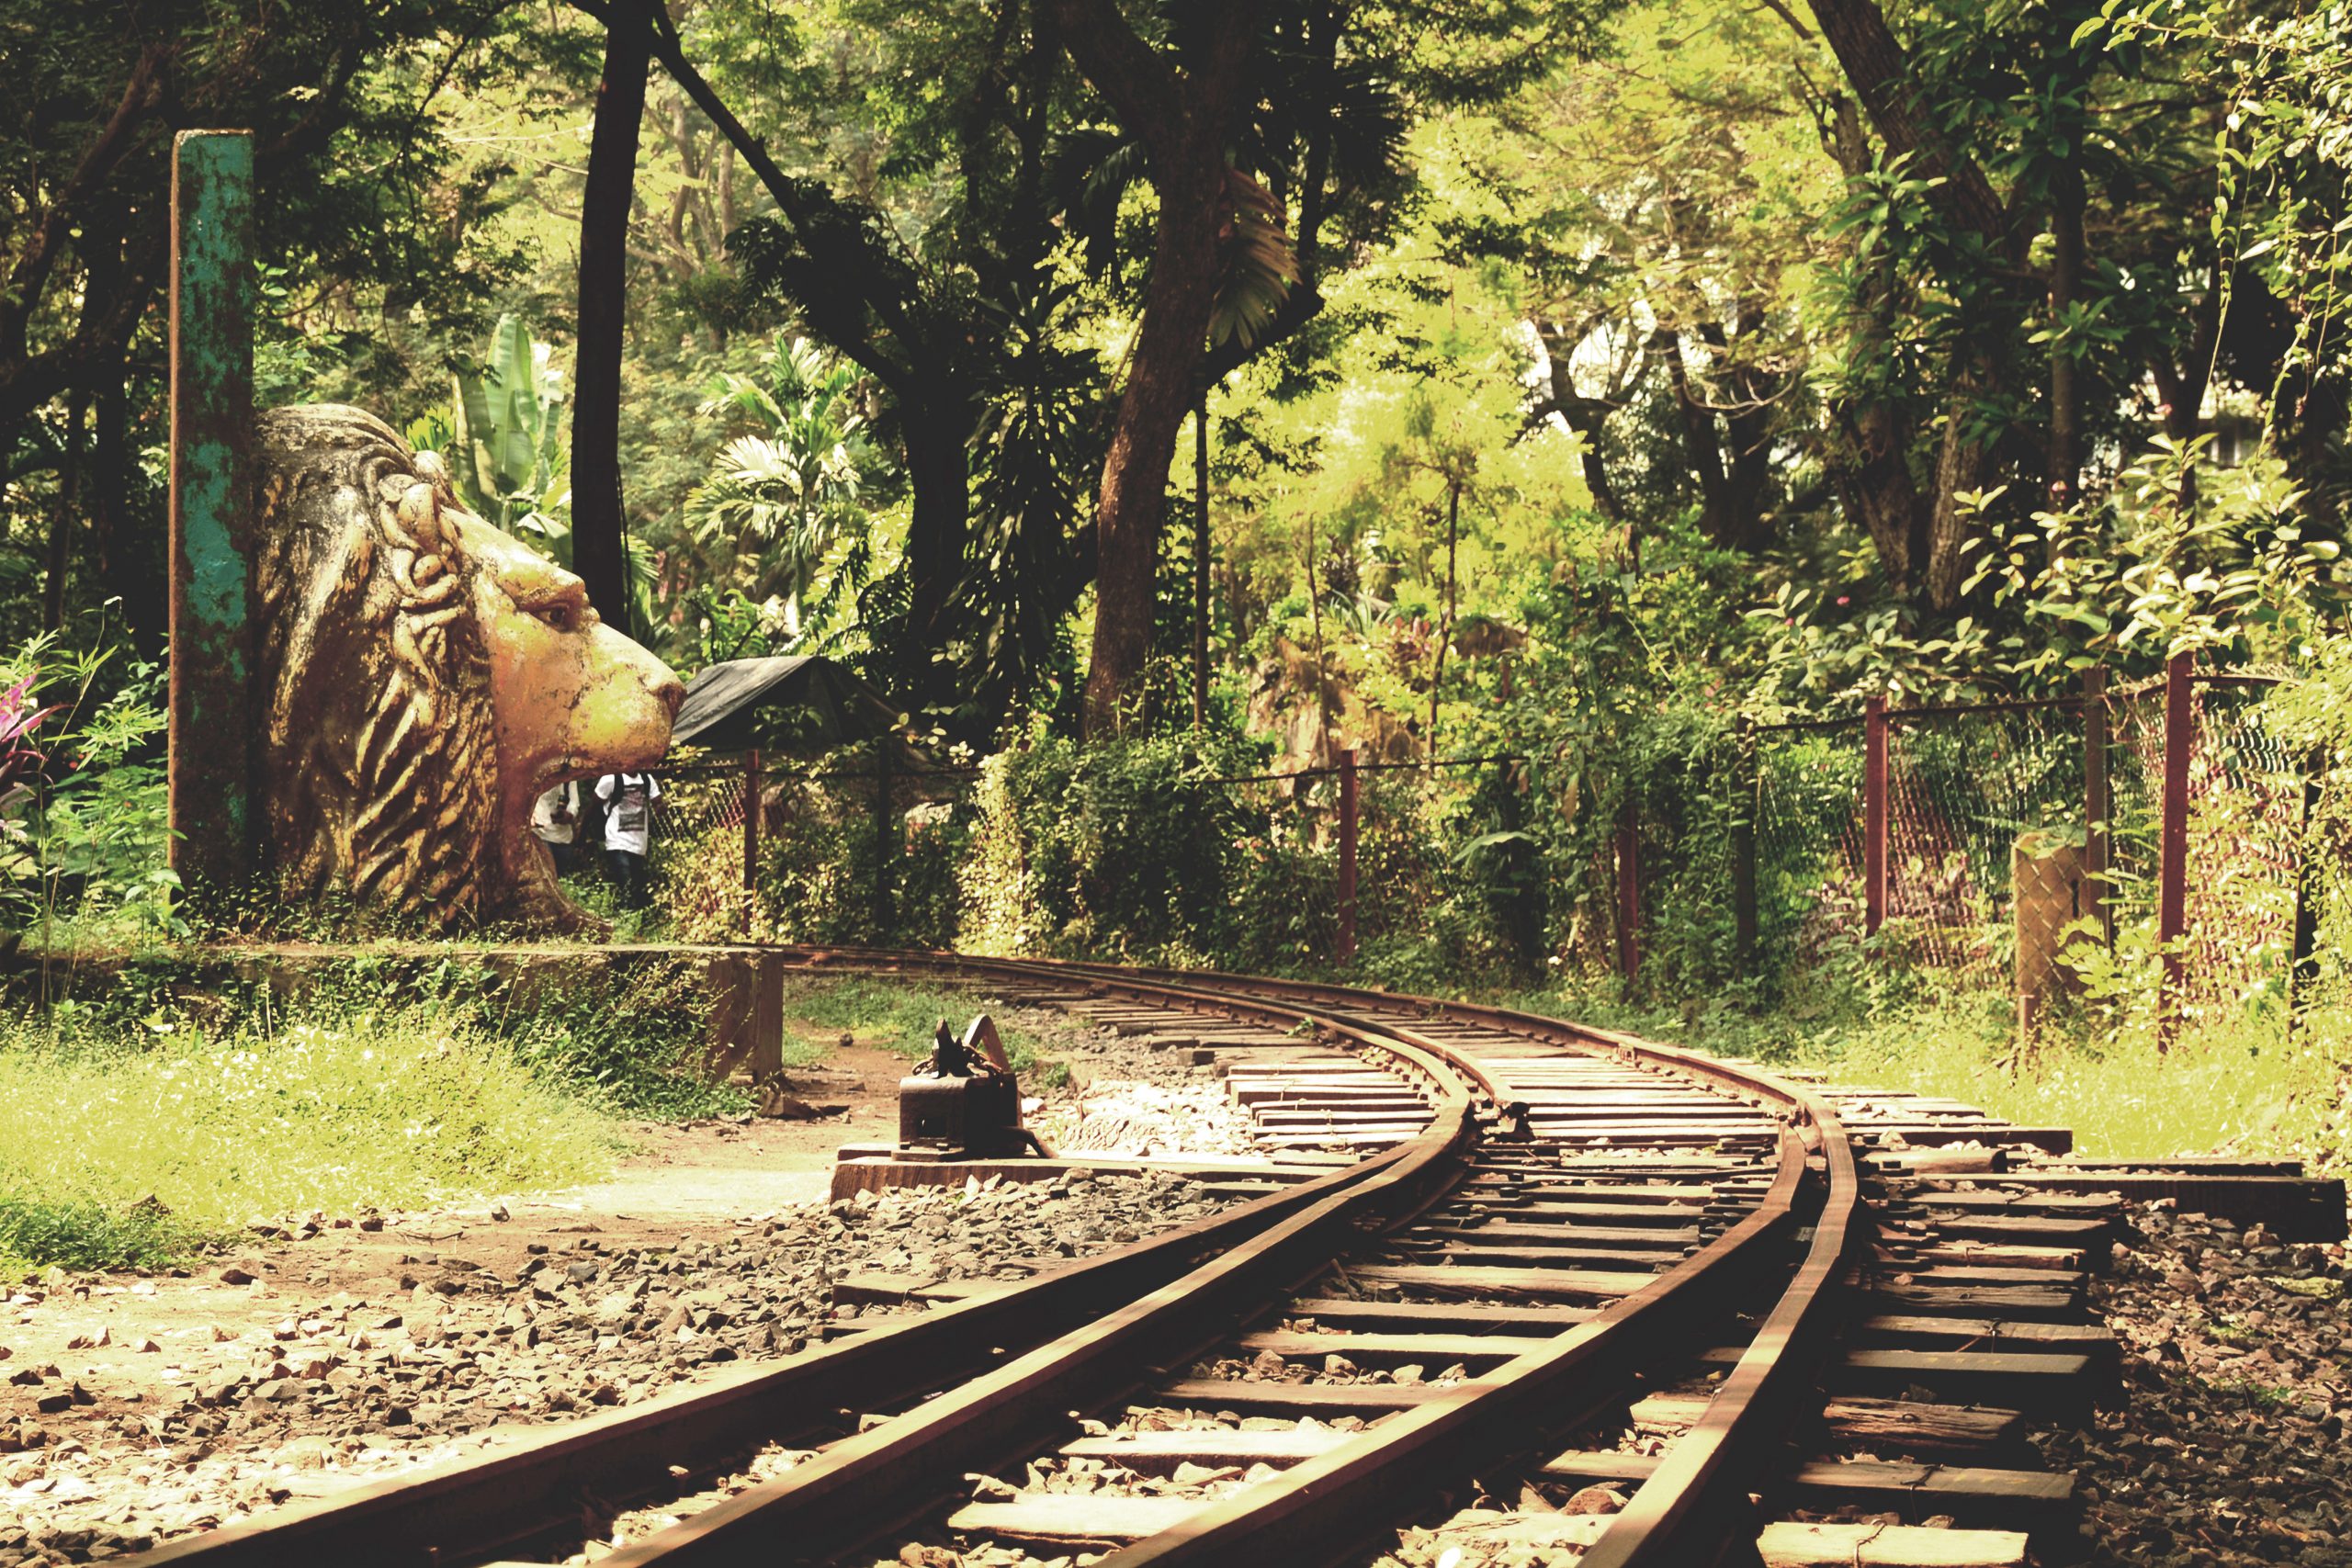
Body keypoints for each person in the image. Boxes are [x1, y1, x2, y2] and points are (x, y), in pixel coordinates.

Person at [594, 771, 662, 909]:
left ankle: (630, 918)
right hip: (617, 842)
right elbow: (593, 806)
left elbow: (658, 802)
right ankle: (627, 920)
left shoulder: (647, 779)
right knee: (626, 885)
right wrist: (583, 834)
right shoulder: (611, 778)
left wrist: (660, 807)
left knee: (637, 888)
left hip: (639, 845)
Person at [530, 780, 582, 876]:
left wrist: (568, 815)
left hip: (562, 839)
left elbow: (574, 803)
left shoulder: (568, 775)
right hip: (539, 835)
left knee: (559, 879)